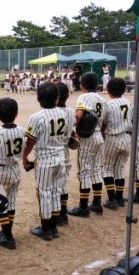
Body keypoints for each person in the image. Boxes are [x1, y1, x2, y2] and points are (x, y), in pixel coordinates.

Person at [23, 82, 75, 240]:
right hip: (61, 156)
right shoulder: (65, 114)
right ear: (57, 98)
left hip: (45, 159)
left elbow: (30, 142)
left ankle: (46, 229)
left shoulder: (36, 117)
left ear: (39, 98)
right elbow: (69, 137)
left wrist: (24, 157)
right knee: (56, 191)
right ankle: (53, 228)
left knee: (44, 192)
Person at [68, 72, 107, 217]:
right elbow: (105, 121)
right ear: (97, 85)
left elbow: (79, 115)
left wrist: (71, 127)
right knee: (96, 169)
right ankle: (96, 204)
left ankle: (83, 207)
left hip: (88, 138)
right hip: (98, 136)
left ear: (81, 85)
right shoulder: (103, 99)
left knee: (84, 171)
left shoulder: (84, 96)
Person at [0, 98, 25, 250]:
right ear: (16, 113)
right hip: (15, 170)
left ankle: (8, 237)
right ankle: (7, 230)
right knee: (10, 203)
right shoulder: (22, 131)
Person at [101, 78, 133, 209]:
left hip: (112, 138)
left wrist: (102, 135)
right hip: (126, 137)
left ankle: (112, 199)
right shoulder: (129, 102)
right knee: (119, 168)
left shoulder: (108, 105)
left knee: (107, 168)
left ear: (108, 90)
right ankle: (120, 198)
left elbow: (103, 123)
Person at [55, 82, 77, 224]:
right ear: (68, 95)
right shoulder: (71, 112)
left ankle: (55, 216)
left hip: (53, 152)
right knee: (63, 185)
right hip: (65, 152)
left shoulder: (49, 113)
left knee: (52, 187)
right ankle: (63, 214)